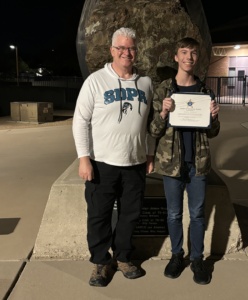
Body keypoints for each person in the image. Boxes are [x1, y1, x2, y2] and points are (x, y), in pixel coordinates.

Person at [72, 27, 155, 287]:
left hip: (135, 162)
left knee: (131, 214)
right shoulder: (96, 81)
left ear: (136, 51)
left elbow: (150, 123)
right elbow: (80, 121)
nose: (126, 52)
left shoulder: (146, 83)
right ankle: (100, 261)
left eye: (130, 47)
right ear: (112, 51)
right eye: (121, 48)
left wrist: (149, 153)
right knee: (99, 215)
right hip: (102, 162)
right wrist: (84, 158)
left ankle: (123, 257)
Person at [149, 37, 220, 285]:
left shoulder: (205, 91)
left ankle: (198, 259)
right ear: (176, 57)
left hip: (198, 164)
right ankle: (177, 255)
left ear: (197, 58)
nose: (189, 57)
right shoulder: (164, 90)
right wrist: (163, 113)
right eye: (184, 52)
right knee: (173, 214)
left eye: (193, 53)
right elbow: (154, 131)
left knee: (198, 214)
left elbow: (212, 132)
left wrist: (213, 117)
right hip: (171, 164)